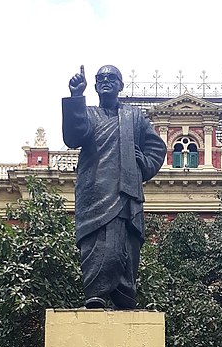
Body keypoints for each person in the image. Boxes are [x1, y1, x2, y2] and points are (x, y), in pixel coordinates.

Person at [62, 65, 166, 309]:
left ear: (121, 85)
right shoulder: (87, 114)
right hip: (94, 192)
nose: (106, 81)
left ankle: (124, 292)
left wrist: (144, 163)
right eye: (101, 79)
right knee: (96, 242)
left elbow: (156, 147)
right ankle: (95, 292)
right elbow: (73, 137)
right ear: (95, 86)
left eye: (112, 78)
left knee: (124, 244)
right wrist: (76, 97)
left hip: (125, 192)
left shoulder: (134, 116)